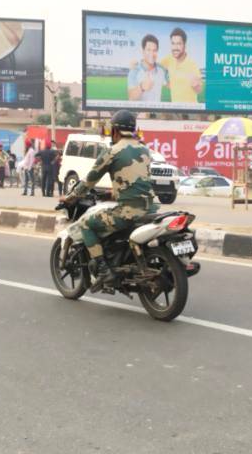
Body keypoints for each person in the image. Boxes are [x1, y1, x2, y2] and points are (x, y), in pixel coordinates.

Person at [62, 110, 157, 285]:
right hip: (151, 209)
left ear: (115, 130)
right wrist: (112, 193)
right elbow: (135, 181)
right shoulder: (145, 150)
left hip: (128, 212)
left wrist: (71, 197)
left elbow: (90, 180)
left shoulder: (112, 151)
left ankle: (105, 271)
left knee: (86, 224)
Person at [159, 27, 203, 104]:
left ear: (184, 45)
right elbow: (157, 67)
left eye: (179, 44)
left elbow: (199, 89)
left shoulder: (192, 64)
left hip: (191, 111)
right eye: (173, 43)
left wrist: (195, 85)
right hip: (175, 110)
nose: (175, 47)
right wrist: (166, 82)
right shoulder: (169, 59)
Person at [127, 34, 168, 102]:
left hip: (156, 112)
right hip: (140, 112)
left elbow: (171, 84)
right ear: (143, 51)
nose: (151, 53)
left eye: (154, 50)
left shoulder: (162, 69)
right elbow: (131, 97)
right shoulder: (134, 70)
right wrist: (142, 87)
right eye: (148, 50)